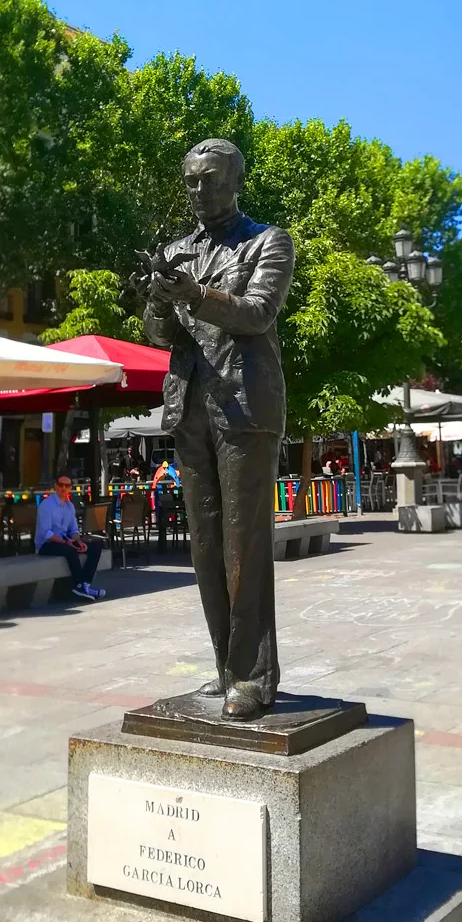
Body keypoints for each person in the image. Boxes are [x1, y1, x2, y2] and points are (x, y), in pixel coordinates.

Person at [144, 137, 295, 721]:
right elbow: (161, 337)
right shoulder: (177, 250)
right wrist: (159, 298)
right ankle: (224, 668)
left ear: (235, 181)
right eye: (191, 181)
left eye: (209, 179)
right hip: (190, 406)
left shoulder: (266, 241)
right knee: (205, 548)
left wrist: (197, 295)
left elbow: (258, 313)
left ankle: (254, 676)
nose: (199, 191)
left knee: (244, 545)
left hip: (245, 407)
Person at [35, 475, 105, 600]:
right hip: (46, 545)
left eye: (67, 486)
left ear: (70, 488)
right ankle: (78, 586)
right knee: (71, 551)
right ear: (55, 486)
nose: (63, 488)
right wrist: (66, 542)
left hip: (65, 541)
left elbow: (73, 529)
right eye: (61, 485)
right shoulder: (47, 505)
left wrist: (78, 541)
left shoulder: (69, 506)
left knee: (96, 547)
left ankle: (85, 585)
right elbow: (46, 533)